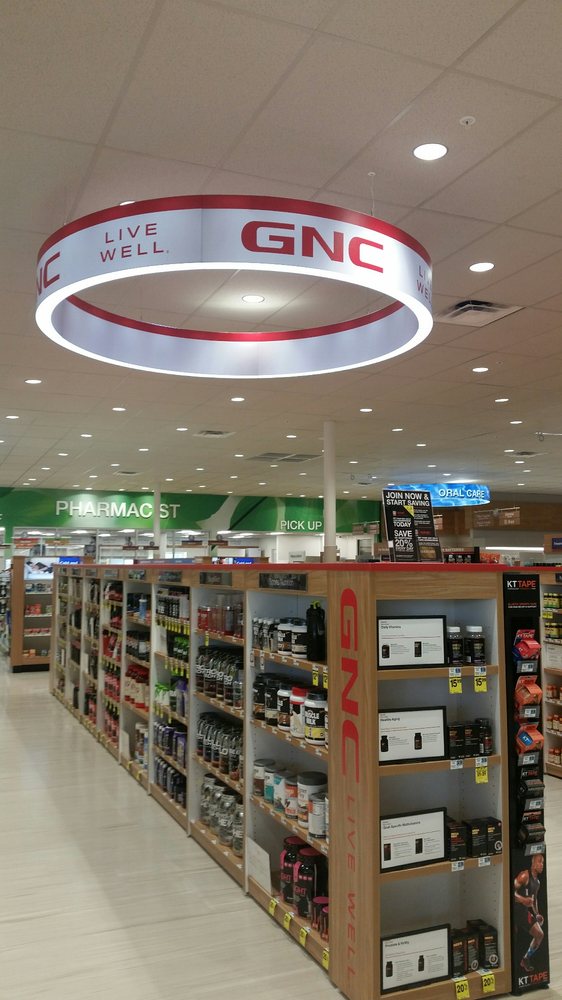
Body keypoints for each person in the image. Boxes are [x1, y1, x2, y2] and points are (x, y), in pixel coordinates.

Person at [513, 853, 545, 973]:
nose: (542, 865)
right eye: (539, 861)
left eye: (543, 862)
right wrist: (523, 900)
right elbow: (510, 892)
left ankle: (526, 958)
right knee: (513, 939)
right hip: (512, 912)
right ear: (533, 863)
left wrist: (537, 914)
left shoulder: (537, 882)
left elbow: (534, 899)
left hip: (523, 913)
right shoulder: (524, 875)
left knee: (540, 934)